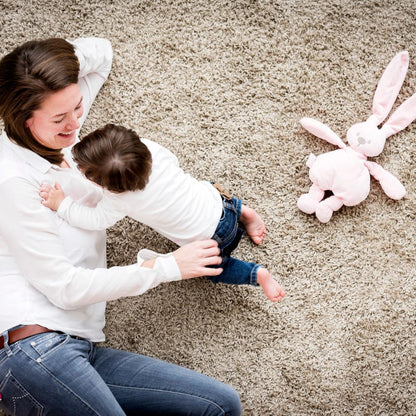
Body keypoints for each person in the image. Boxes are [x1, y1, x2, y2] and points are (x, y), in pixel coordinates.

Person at [0, 37, 242, 415]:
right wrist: (167, 267)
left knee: (219, 405)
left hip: (82, 348)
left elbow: (102, 53)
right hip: (34, 350)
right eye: (60, 118)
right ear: (22, 118)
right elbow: (64, 288)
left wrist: (46, 69)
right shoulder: (13, 181)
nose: (75, 123)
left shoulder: (72, 145)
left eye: (78, 107)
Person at [40, 124, 286, 302]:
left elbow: (93, 220)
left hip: (209, 243)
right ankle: (245, 213)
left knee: (216, 269)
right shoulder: (151, 149)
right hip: (221, 205)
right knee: (207, 189)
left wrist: (62, 205)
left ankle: (257, 274)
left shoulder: (118, 200)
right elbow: (174, 162)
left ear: (106, 187)